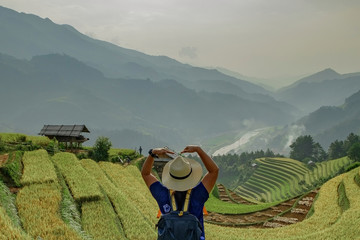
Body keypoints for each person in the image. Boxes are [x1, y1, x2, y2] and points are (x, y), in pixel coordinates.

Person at [141, 145, 219, 240]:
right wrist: (198, 150)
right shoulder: (198, 195)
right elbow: (214, 171)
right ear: (191, 176)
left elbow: (145, 174)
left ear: (170, 177)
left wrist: (152, 153)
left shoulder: (163, 195)